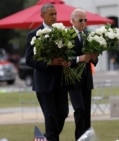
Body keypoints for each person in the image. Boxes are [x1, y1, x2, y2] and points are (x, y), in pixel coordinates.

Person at [25, 3, 69, 141]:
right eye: (51, 14)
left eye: (55, 14)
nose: (54, 17)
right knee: (50, 116)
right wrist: (47, 63)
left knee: (63, 113)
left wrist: (66, 61)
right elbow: (29, 60)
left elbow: (68, 52)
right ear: (42, 16)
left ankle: (46, 137)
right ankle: (51, 138)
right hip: (44, 83)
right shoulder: (33, 35)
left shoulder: (62, 33)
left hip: (60, 81)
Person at [68, 8, 99, 141]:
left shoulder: (88, 36)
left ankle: (87, 138)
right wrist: (78, 58)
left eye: (85, 20)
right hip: (73, 79)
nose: (83, 23)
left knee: (86, 112)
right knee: (79, 110)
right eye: (80, 20)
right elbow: (65, 59)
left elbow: (94, 60)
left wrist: (93, 56)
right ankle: (79, 138)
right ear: (73, 21)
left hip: (86, 78)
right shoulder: (67, 36)